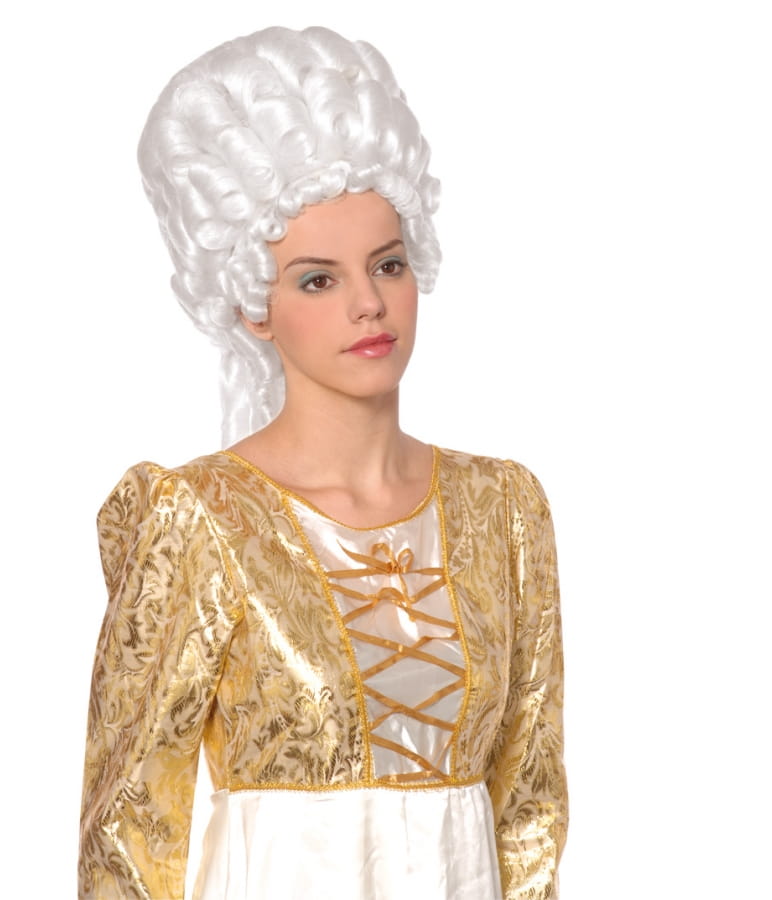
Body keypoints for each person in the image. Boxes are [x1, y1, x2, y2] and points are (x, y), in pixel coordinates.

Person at [79, 26, 567, 900]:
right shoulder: (200, 519)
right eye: (318, 279)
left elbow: (529, 806)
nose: (369, 303)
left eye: (388, 264)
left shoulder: (504, 508)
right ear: (252, 305)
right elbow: (130, 830)